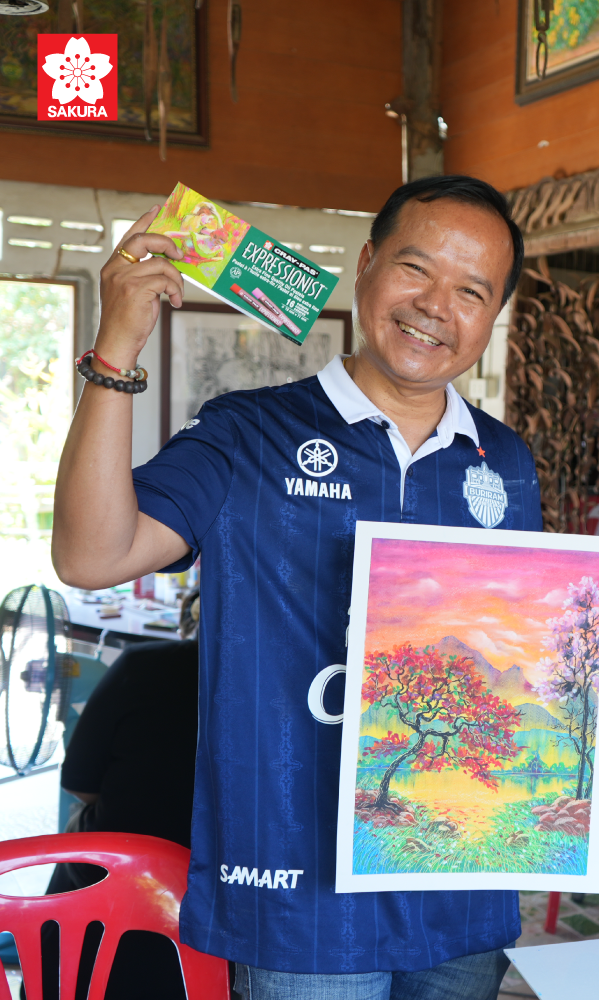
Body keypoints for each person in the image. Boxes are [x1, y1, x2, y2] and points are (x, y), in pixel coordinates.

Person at [52, 176, 540, 999]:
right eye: (416, 269)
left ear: (493, 315)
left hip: (461, 882)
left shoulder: (505, 460)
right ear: (367, 263)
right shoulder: (248, 433)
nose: (436, 307)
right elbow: (90, 557)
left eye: (472, 291)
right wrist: (115, 354)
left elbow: (513, 646)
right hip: (296, 896)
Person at [35, 589, 200, 1000]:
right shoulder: (298, 686)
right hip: (221, 900)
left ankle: (48, 977)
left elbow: (79, 784)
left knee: (79, 834)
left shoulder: (142, 664)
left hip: (116, 882)